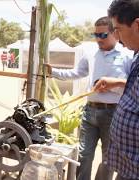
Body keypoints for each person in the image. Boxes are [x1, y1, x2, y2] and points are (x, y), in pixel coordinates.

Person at [45, 16, 133, 180]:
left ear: (115, 33)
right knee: (84, 155)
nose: (99, 39)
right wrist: (53, 71)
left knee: (108, 160)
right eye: (96, 35)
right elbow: (77, 73)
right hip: (90, 111)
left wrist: (114, 84)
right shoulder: (91, 53)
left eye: (103, 35)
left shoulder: (127, 55)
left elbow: (133, 85)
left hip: (113, 114)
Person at [93, 1, 139, 179]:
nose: (117, 37)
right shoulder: (137, 55)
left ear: (136, 25)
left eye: (118, 29)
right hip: (128, 166)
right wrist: (119, 83)